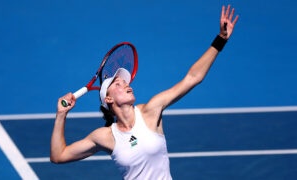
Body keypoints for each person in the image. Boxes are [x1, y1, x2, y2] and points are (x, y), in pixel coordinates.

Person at [50, 5, 239, 179]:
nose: (126, 84)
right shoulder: (105, 136)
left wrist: (220, 40)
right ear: (108, 98)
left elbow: (192, 78)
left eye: (126, 82)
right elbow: (59, 156)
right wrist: (61, 115)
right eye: (118, 84)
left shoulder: (151, 111)